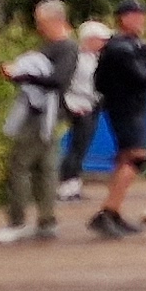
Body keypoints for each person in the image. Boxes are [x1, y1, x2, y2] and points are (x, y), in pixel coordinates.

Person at [0, 0, 77, 244]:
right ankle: (46, 222)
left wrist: (22, 74)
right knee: (46, 168)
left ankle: (17, 223)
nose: (38, 27)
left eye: (41, 23)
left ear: (56, 21)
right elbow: (39, 80)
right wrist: (15, 75)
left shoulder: (67, 48)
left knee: (19, 165)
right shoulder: (51, 47)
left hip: (42, 117)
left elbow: (58, 80)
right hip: (44, 116)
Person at [88, 3, 146, 237]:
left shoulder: (132, 44)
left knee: (127, 160)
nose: (142, 19)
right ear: (123, 19)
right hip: (125, 110)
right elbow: (142, 77)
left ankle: (113, 212)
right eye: (136, 15)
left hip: (133, 109)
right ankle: (106, 212)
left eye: (143, 14)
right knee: (136, 157)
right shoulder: (120, 47)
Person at [58, 19, 110, 198]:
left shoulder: (96, 58)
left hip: (93, 104)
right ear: (89, 39)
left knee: (82, 146)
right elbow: (66, 83)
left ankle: (74, 184)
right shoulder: (76, 58)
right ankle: (65, 185)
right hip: (78, 105)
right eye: (100, 39)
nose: (104, 43)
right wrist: (71, 104)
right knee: (76, 145)